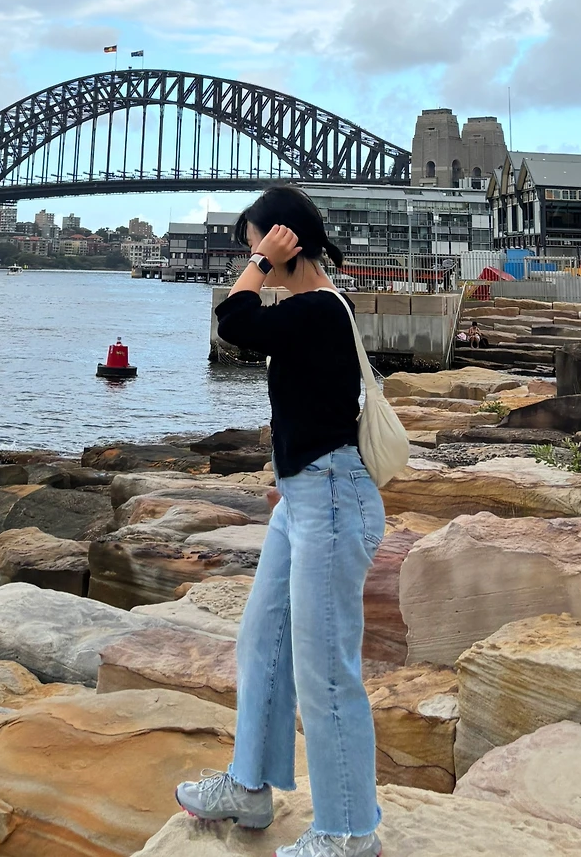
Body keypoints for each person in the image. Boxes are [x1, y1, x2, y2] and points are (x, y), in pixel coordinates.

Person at [175, 186, 385, 857]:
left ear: (283, 242)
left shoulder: (318, 308)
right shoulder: (308, 312)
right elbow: (309, 409)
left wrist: (259, 263)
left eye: (257, 242)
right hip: (305, 497)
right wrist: (286, 480)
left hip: (331, 501)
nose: (251, 257)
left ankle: (349, 833)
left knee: (326, 672)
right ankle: (249, 787)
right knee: (262, 642)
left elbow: (233, 320)